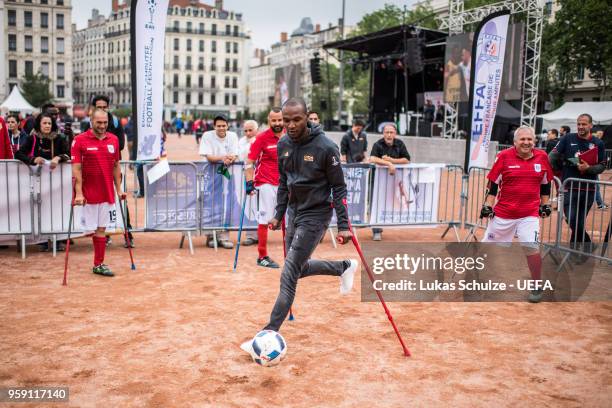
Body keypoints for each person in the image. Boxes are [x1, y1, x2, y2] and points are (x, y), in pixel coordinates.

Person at [242, 98, 358, 352]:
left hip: (316, 215)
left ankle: (268, 333)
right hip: (293, 212)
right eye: (286, 120)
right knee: (299, 268)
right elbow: (284, 182)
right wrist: (278, 213)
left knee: (289, 272)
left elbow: (338, 187)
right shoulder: (283, 143)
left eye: (297, 119)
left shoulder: (326, 148)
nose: (291, 125)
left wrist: (344, 225)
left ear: (308, 117)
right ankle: (343, 267)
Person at [480, 126, 554, 303]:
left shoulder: (542, 157)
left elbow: (545, 185)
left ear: (534, 141)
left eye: (529, 139)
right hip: (503, 214)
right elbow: (493, 185)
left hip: (528, 214)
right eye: (522, 139)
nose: (526, 142)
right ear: (514, 142)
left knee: (532, 248)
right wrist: (488, 206)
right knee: (487, 248)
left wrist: (545, 204)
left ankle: (536, 286)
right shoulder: (504, 156)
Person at [71, 109, 126, 277]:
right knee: (90, 229)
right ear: (91, 121)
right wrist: (79, 193)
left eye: (105, 123)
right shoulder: (79, 140)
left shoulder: (114, 140)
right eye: (99, 123)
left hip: (107, 192)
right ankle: (98, 262)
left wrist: (119, 189)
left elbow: (116, 165)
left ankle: (99, 264)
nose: (102, 126)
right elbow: (76, 168)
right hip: (88, 193)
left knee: (102, 229)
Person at [549, 113, 606, 256]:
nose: (580, 126)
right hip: (569, 187)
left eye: (584, 124)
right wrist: (559, 169)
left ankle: (574, 252)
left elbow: (602, 165)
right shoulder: (567, 138)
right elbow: (552, 156)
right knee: (572, 219)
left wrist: (589, 168)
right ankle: (588, 245)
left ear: (591, 126)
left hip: (589, 189)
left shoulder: (598, 143)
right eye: (579, 124)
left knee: (579, 221)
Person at [245, 109, 284, 268]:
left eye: (280, 120)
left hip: (285, 184)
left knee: (288, 219)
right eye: (273, 121)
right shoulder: (261, 138)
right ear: (269, 120)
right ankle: (262, 256)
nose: (277, 124)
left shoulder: (290, 135)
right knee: (264, 219)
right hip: (265, 183)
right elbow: (249, 162)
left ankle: (290, 255)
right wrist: (249, 182)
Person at [199, 115, 239, 249]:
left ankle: (224, 236)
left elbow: (235, 153)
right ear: (214, 126)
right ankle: (211, 235)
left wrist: (230, 159)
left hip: (227, 176)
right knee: (211, 204)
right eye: (218, 126)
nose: (221, 128)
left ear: (227, 126)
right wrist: (223, 158)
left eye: (224, 125)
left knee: (227, 205)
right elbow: (209, 156)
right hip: (211, 175)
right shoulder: (207, 136)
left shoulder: (233, 136)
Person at [369, 124, 411, 241]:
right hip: (378, 182)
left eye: (391, 132)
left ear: (395, 134)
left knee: (395, 202)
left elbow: (407, 159)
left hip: (395, 182)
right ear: (383, 134)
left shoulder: (400, 144)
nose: (389, 135)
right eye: (386, 132)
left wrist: (392, 160)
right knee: (377, 204)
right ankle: (377, 230)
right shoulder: (377, 144)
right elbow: (372, 158)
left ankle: (396, 223)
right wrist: (388, 164)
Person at [237, 119, 259, 247]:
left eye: (251, 130)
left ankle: (260, 234)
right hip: (246, 176)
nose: (248, 133)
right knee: (249, 206)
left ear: (256, 130)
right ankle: (251, 235)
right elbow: (241, 157)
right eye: (245, 130)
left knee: (260, 206)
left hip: (261, 176)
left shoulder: (260, 139)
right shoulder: (241, 141)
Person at [593, 129, 608, 210]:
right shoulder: (595, 142)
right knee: (596, 187)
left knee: (596, 187)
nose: (600, 134)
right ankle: (600, 203)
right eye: (598, 133)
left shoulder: (599, 142)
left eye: (601, 133)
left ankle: (600, 202)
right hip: (593, 169)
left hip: (595, 168)